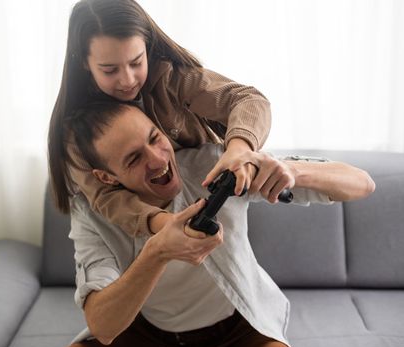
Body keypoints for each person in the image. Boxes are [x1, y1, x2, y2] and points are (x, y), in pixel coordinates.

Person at [62, 102, 376, 347]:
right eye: (133, 158)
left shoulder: (212, 163)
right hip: (146, 333)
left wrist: (287, 172)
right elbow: (103, 327)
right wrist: (157, 252)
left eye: (155, 138)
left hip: (239, 329)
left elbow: (362, 184)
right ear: (105, 177)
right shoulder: (90, 213)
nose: (157, 159)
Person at [49, 0, 283, 238]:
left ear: (147, 47)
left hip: (212, 192)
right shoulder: (77, 132)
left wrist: (240, 149)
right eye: (110, 70)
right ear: (84, 63)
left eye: (136, 62)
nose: (128, 80)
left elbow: (248, 101)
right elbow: (106, 198)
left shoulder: (172, 79)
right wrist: (167, 224)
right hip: (153, 226)